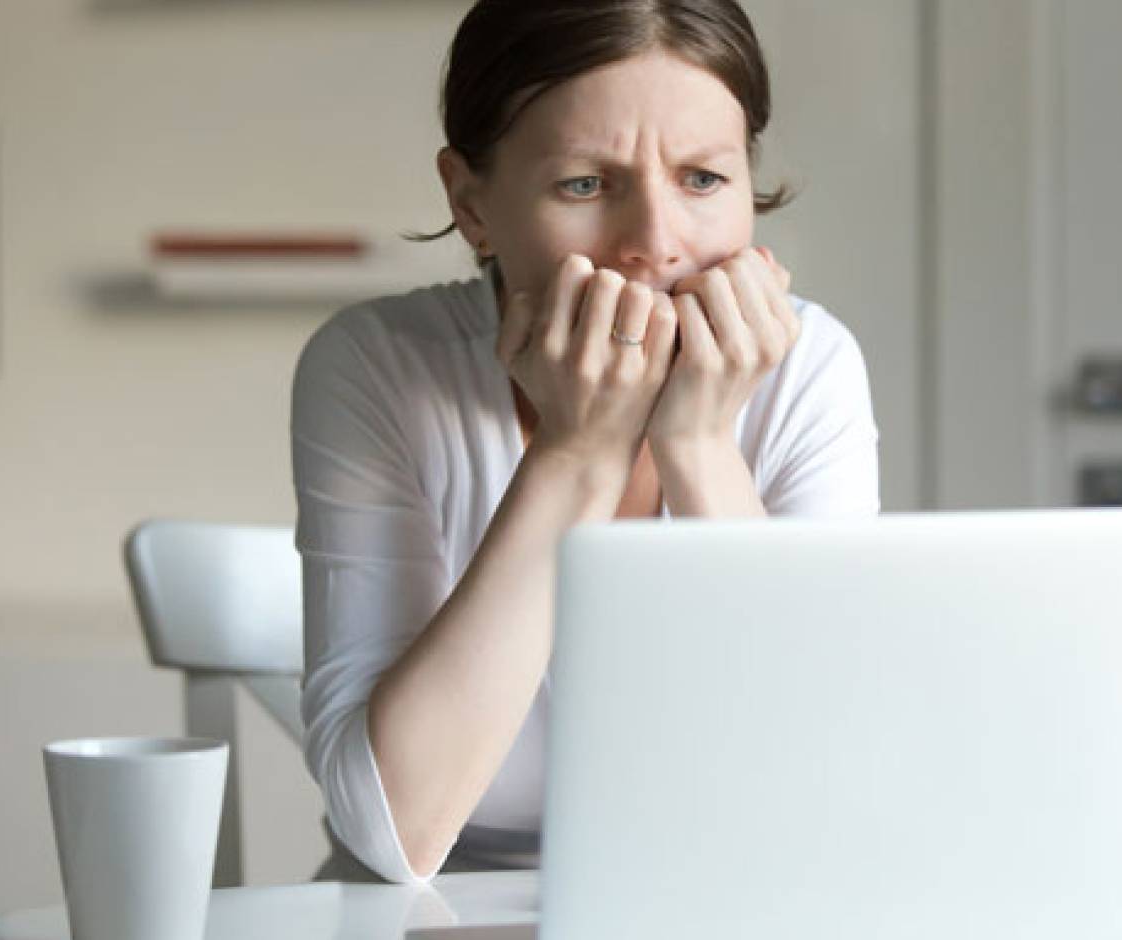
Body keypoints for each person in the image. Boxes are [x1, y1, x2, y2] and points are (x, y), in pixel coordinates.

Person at [291, 0, 879, 885]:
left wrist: (703, 445)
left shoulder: (810, 368)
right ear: (471, 204)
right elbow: (395, 833)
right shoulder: (375, 366)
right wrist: (576, 454)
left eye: (703, 179)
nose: (655, 244)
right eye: (584, 185)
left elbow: (823, 793)